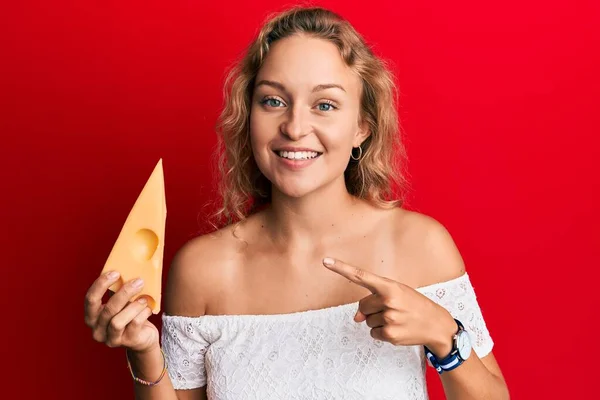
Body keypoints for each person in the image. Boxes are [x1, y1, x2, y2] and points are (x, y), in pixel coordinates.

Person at [84, 6, 509, 400]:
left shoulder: (419, 246)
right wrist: (144, 352)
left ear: (362, 127)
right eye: (273, 100)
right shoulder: (202, 271)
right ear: (248, 115)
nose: (294, 126)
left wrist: (443, 334)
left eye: (324, 105)